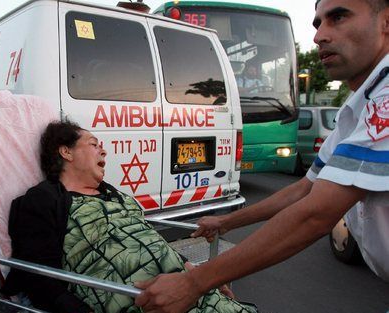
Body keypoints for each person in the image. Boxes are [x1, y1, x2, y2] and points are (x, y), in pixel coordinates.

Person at [134, 0, 389, 311]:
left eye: (338, 17)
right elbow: (304, 189)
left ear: (386, 22)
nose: (320, 35)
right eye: (318, 23)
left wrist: (194, 282)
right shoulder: (359, 106)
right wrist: (227, 222)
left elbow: (316, 214)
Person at [2, 120, 257, 313]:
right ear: (66, 153)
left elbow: (148, 238)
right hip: (142, 302)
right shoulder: (43, 199)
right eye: (93, 145)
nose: (104, 152)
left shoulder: (117, 196)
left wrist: (198, 275)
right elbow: (39, 277)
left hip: (186, 289)